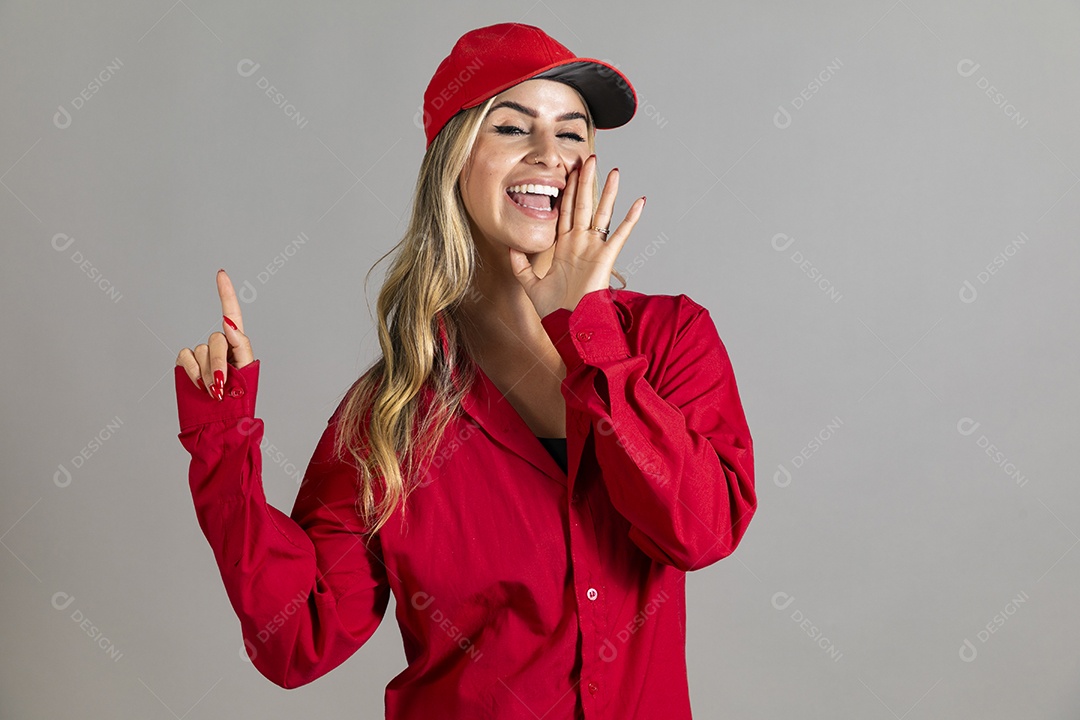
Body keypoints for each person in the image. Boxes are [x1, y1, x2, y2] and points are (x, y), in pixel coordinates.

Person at [174, 22, 756, 719]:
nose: (550, 155)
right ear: (455, 159)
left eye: (572, 134)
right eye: (513, 129)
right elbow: (297, 640)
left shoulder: (667, 341)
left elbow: (700, 529)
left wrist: (587, 332)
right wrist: (221, 446)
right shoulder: (391, 412)